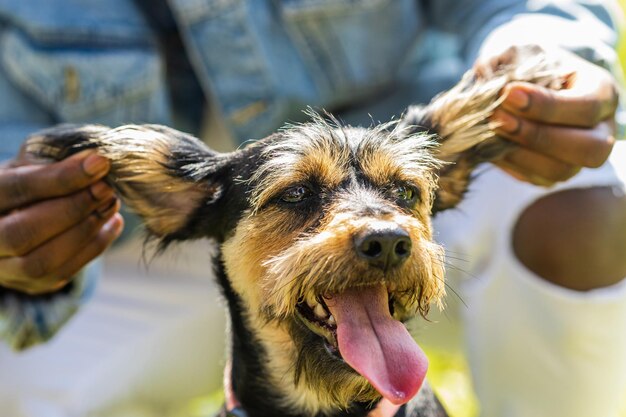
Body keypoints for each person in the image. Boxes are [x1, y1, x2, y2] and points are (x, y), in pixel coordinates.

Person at [0, 0, 624, 416]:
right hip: (139, 254)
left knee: (590, 202)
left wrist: (543, 63)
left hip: (429, 156)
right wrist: (24, 228)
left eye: (402, 196)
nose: (382, 226)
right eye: (298, 194)